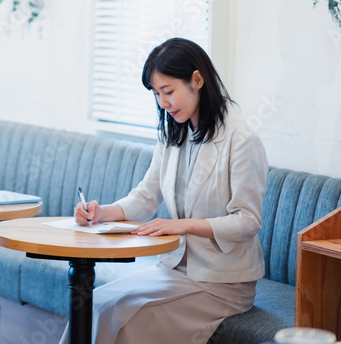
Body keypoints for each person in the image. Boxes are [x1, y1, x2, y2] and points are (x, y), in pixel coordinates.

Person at [65, 38, 268, 344]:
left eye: (169, 91)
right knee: (97, 303)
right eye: (157, 94)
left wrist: (181, 226)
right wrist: (101, 212)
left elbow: (247, 221)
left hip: (222, 283)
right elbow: (146, 195)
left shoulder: (241, 140)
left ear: (197, 80)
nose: (163, 103)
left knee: (130, 322)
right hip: (174, 269)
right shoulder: (174, 131)